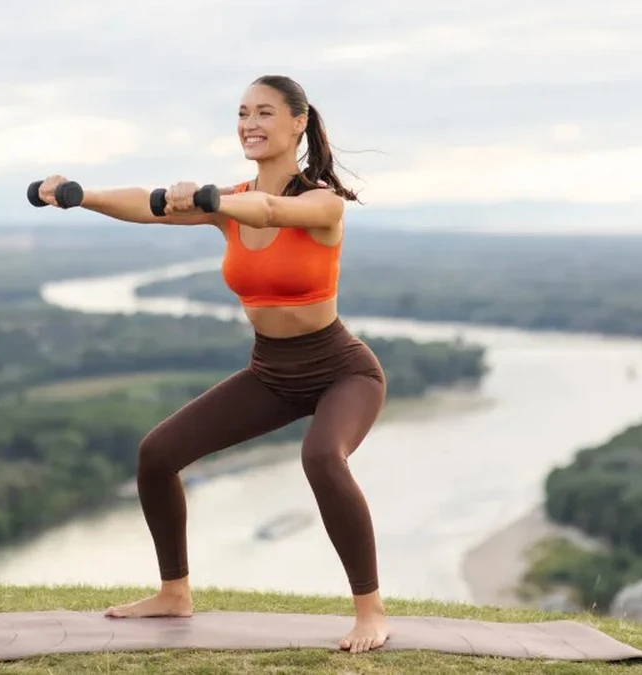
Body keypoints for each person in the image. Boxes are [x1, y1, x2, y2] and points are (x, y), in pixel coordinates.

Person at [36, 74, 390, 654]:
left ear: (299, 122)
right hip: (271, 374)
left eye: (265, 112)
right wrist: (80, 195)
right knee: (157, 455)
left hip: (342, 372)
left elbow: (270, 210)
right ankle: (173, 593)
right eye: (243, 113)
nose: (250, 123)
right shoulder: (228, 202)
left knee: (323, 456)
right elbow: (149, 206)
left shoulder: (322, 201)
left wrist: (210, 199)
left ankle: (370, 612)